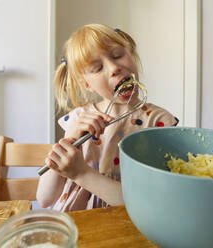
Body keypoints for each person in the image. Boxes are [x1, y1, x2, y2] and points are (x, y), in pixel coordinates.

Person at [36, 24, 178, 211]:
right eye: (97, 68)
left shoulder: (157, 121)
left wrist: (81, 173)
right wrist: (68, 139)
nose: (114, 68)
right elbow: (45, 199)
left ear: (132, 55)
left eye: (117, 55)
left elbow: (150, 203)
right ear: (87, 85)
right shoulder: (79, 119)